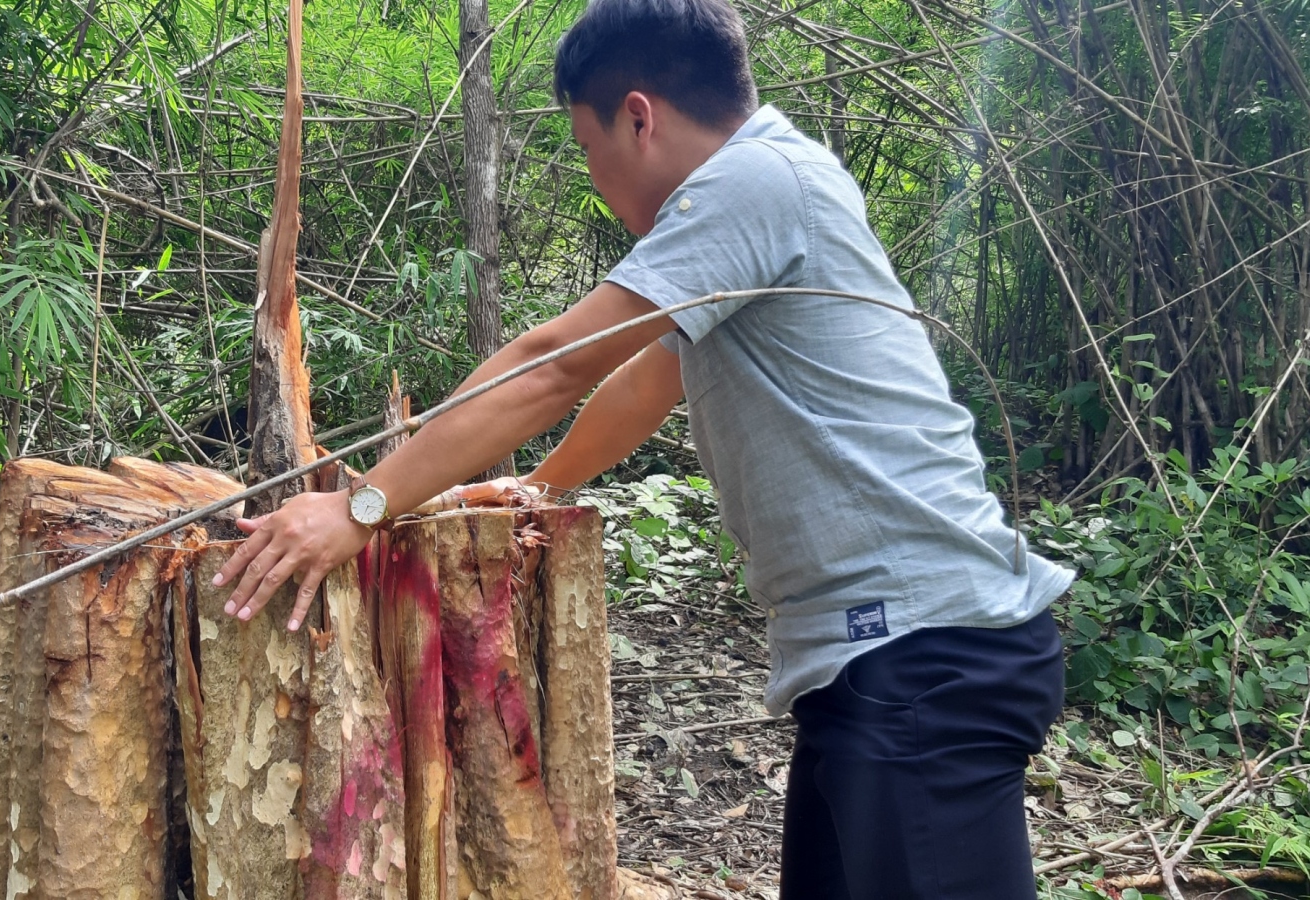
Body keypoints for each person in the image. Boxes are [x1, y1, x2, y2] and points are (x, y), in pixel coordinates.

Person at [211, 0, 1075, 895]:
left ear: (638, 115)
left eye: (588, 149)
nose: (594, 176)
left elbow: (555, 365)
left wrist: (360, 509)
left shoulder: (755, 182)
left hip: (925, 659)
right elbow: (645, 380)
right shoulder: (763, 196)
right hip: (877, 667)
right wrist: (537, 486)